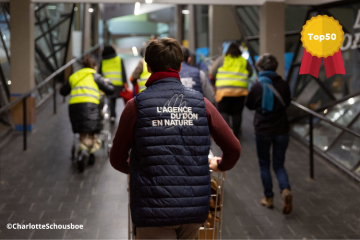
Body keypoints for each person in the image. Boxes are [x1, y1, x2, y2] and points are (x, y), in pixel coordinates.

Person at [110, 38, 241, 239]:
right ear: (180, 65)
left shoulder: (136, 106)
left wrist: (138, 169)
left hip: (152, 210)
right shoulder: (201, 103)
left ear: (148, 66)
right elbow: (233, 148)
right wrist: (221, 165)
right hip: (193, 210)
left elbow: (116, 158)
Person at [245, 53, 292, 214]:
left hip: (263, 131)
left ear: (261, 68)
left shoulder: (257, 86)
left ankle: (269, 198)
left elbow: (249, 105)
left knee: (264, 164)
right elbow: (288, 103)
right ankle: (285, 190)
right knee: (279, 164)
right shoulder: (284, 85)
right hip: (281, 130)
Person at [60, 55, 114, 172]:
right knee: (90, 131)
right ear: (94, 67)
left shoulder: (74, 76)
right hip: (90, 108)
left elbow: (63, 92)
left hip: (74, 109)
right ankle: (84, 152)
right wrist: (107, 81)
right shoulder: (95, 76)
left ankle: (86, 152)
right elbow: (110, 90)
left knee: (83, 131)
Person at [209, 42, 253, 139]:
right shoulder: (243, 61)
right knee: (237, 113)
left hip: (223, 91)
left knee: (223, 111)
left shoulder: (221, 59)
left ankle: (227, 133)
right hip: (240, 92)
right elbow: (250, 73)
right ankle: (236, 135)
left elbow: (212, 72)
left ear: (227, 51)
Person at [99, 45, 128, 123]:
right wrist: (125, 83)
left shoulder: (103, 61)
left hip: (107, 85)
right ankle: (127, 116)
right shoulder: (119, 59)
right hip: (119, 84)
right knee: (124, 99)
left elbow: (99, 74)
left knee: (111, 100)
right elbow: (123, 72)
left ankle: (112, 116)